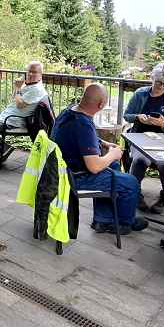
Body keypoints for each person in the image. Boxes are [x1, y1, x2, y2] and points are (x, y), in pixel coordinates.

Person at [51, 84, 147, 235]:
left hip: (62, 169)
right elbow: (94, 167)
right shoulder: (83, 124)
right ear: (101, 104)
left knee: (113, 165)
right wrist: (113, 154)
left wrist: (103, 143)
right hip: (75, 177)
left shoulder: (69, 111)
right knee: (131, 183)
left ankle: (103, 220)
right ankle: (123, 223)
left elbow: (77, 137)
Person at [123, 62, 164, 214]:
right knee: (140, 160)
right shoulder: (140, 94)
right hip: (139, 136)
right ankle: (135, 193)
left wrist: (163, 123)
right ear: (152, 79)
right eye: (159, 82)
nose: (162, 86)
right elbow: (127, 115)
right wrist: (138, 117)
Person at [0, 61, 48, 145]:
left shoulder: (37, 89)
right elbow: (14, 97)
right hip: (5, 116)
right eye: (29, 71)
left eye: (34, 72)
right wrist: (17, 87)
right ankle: (4, 148)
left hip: (13, 120)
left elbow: (20, 105)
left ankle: (2, 148)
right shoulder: (30, 84)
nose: (30, 74)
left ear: (41, 74)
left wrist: (18, 88)